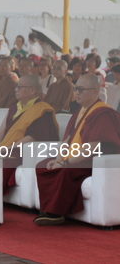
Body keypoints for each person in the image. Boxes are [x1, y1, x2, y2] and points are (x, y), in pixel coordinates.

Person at [34, 74, 120, 226]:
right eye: (75, 88)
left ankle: (56, 213)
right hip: (77, 159)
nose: (77, 93)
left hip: (94, 162)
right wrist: (59, 159)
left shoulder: (103, 113)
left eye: (81, 89)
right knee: (43, 164)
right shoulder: (80, 111)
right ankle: (47, 208)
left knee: (65, 171)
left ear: (95, 92)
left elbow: (91, 149)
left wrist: (65, 163)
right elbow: (67, 140)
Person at [0, 74, 58, 195]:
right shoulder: (14, 108)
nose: (16, 89)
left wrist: (7, 149)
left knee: (3, 163)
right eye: (16, 86)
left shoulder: (42, 110)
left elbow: (33, 137)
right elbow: (0, 131)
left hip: (20, 150)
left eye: (19, 87)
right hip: (5, 148)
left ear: (32, 90)